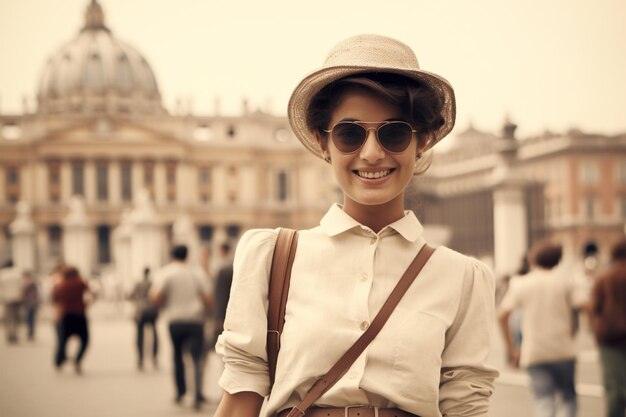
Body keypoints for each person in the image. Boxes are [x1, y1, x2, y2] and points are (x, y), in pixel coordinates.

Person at [214, 34, 498, 417]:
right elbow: (240, 395)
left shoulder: (462, 278)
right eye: (350, 133)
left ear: (423, 141)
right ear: (322, 142)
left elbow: (466, 407)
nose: (371, 153)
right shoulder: (272, 257)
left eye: (394, 132)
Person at [499, 241, 587, 417]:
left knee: (543, 400)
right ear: (558, 260)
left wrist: (511, 349)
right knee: (568, 399)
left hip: (534, 351)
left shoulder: (521, 283)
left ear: (534, 259)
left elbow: (502, 315)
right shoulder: (566, 282)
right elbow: (584, 305)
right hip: (563, 349)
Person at [150, 244, 213, 410]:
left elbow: (156, 297)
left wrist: (164, 304)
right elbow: (208, 298)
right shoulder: (197, 272)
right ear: (187, 255)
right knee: (197, 358)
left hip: (175, 320)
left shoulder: (165, 272)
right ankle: (197, 394)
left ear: (172, 255)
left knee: (177, 356)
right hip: (195, 320)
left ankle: (181, 392)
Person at [589, 238, 626, 417]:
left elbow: (594, 308)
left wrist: (595, 332)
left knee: (614, 386)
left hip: (610, 338)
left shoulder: (604, 279)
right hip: (613, 337)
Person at [52, 266, 94, 374]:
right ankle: (77, 359)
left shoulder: (59, 285)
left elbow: (54, 300)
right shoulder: (80, 283)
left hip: (64, 316)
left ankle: (58, 361)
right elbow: (92, 294)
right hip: (79, 314)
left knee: (62, 340)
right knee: (85, 339)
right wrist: (86, 305)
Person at [130, 267, 159, 370]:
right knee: (154, 334)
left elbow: (131, 295)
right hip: (151, 311)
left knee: (139, 335)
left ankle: (140, 358)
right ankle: (154, 357)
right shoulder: (153, 284)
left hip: (140, 311)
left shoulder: (138, 284)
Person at [0, 259, 24, 344]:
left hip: (7, 298)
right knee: (16, 318)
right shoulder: (17, 273)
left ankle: (9, 334)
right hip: (16, 298)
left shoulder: (2, 274)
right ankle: (15, 334)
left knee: (8, 318)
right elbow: (21, 286)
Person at [22, 270, 40, 341]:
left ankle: (31, 333)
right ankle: (30, 332)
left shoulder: (31, 284)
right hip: (29, 303)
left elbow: (34, 294)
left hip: (31, 303)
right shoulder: (28, 283)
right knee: (29, 318)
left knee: (30, 318)